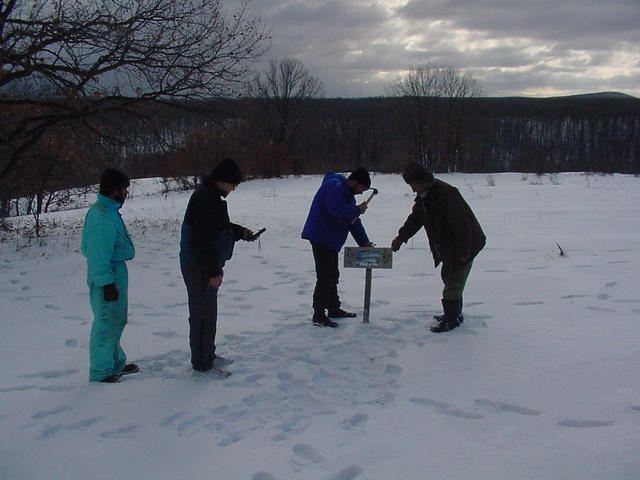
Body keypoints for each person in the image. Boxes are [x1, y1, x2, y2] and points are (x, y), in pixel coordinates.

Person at [179, 158, 257, 376]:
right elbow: (201, 239)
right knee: (202, 314)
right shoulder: (206, 198)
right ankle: (202, 363)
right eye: (233, 184)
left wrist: (240, 232)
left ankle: (208, 355)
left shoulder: (210, 195)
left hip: (204, 263)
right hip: (199, 266)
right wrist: (213, 272)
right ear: (223, 181)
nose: (234, 189)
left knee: (208, 313)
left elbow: (219, 227)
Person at [391, 162, 486, 333]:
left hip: (466, 245)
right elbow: (416, 218)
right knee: (451, 278)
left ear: (423, 181)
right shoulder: (425, 196)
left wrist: (464, 252)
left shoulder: (447, 195)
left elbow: (463, 226)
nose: (412, 189)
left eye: (413, 185)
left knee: (453, 280)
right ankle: (454, 314)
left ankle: (451, 320)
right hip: (449, 246)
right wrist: (401, 237)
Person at [81, 168, 138, 382]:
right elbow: (97, 255)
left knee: (116, 320)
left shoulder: (109, 210)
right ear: (115, 190)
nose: (126, 193)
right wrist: (107, 284)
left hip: (115, 272)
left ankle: (115, 364)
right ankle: (100, 371)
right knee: (105, 322)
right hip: (107, 275)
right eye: (124, 189)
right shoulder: (101, 216)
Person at [301, 167, 374, 328]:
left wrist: (364, 243)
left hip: (330, 240)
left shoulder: (347, 195)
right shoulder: (335, 186)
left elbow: (353, 221)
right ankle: (319, 315)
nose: (362, 192)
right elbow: (334, 209)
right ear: (354, 181)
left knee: (332, 274)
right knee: (325, 276)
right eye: (362, 188)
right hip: (321, 236)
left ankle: (333, 308)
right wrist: (356, 210)